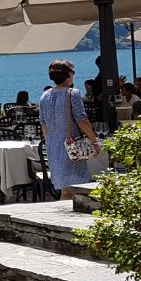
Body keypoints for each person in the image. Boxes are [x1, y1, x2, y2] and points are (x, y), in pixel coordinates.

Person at [39, 59, 101, 200]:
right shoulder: (73, 93)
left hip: (53, 146)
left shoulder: (45, 95)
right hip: (71, 145)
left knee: (65, 189)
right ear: (68, 74)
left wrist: (51, 141)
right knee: (75, 188)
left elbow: (43, 124)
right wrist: (94, 142)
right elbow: (82, 120)